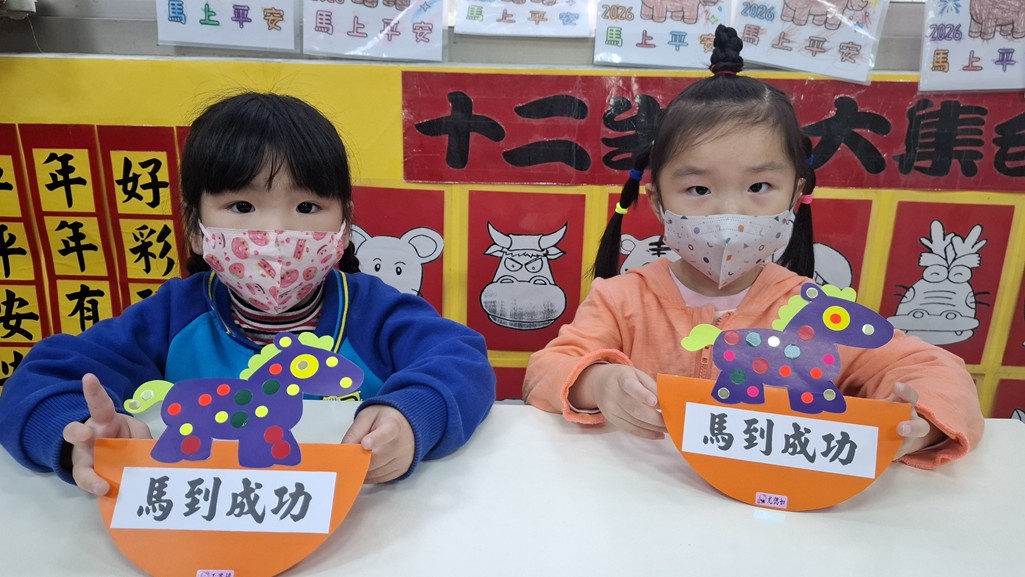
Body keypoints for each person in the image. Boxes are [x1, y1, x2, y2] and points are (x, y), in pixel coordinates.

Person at [523, 26, 983, 468]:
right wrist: (598, 382)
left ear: (796, 195)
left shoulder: (814, 309)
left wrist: (920, 424)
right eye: (699, 189)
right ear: (658, 201)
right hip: (647, 494)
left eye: (759, 186)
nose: (731, 213)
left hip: (771, 504)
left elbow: (935, 370)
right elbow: (546, 371)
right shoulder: (621, 299)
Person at [0, 92, 496, 494]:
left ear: (344, 227)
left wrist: (413, 416)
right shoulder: (172, 317)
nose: (276, 233)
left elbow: (462, 360)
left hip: (352, 525)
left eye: (307, 207)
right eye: (241, 206)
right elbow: (41, 378)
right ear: (195, 228)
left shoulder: (374, 311)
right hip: (200, 527)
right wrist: (81, 436)